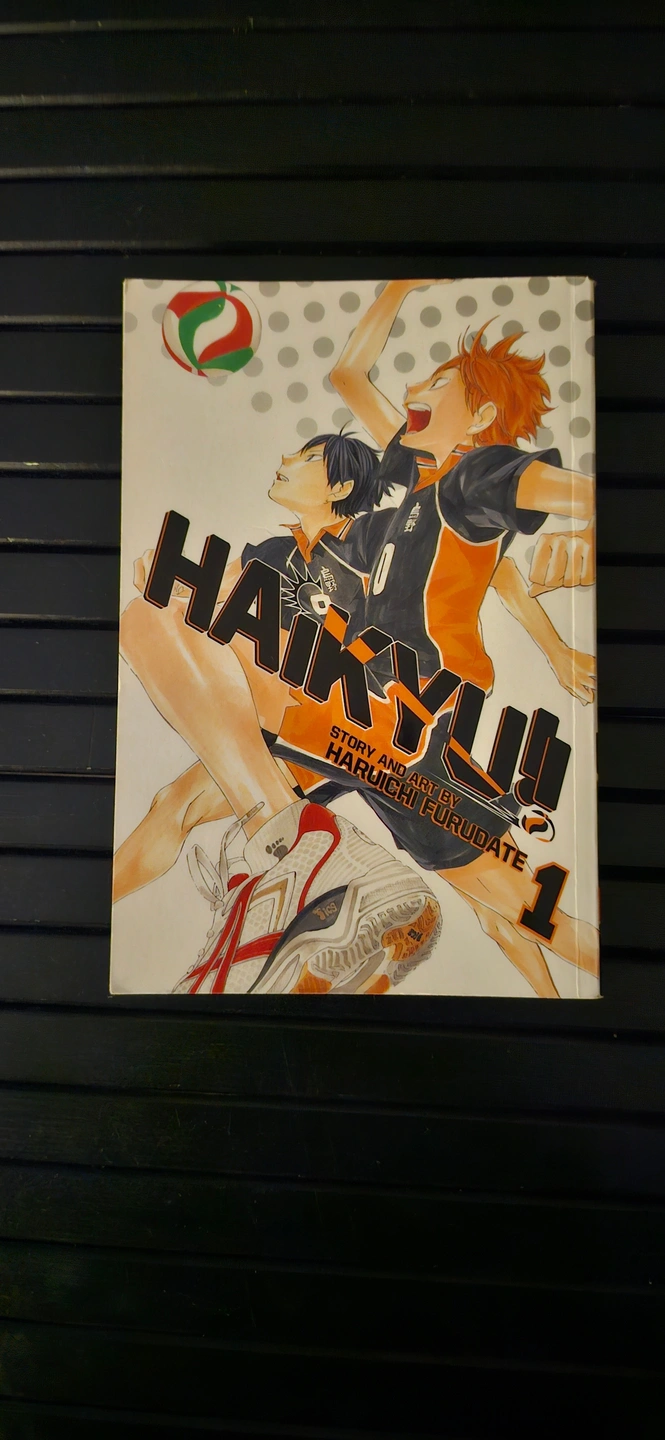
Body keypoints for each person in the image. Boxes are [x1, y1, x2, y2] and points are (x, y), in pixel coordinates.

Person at [119, 410, 595, 997]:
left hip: (392, 737)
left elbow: (498, 573)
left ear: (339, 486)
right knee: (173, 800)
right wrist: (169, 579)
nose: (287, 460)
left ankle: (556, 1001)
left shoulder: (376, 537)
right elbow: (210, 596)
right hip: (315, 732)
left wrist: (557, 650)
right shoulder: (272, 554)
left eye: (307, 458)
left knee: (519, 913)